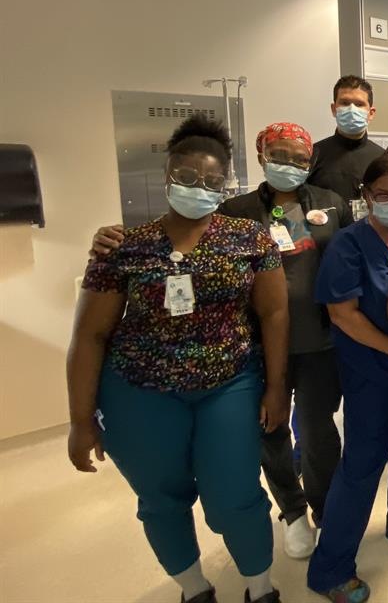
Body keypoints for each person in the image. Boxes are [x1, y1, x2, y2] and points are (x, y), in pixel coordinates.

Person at [90, 122, 350, 560]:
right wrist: (112, 236)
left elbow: (348, 260)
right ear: (262, 154)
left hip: (318, 339)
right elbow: (179, 237)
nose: (290, 165)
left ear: (311, 162)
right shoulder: (234, 208)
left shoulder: (331, 203)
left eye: (300, 158)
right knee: (270, 431)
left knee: (320, 431)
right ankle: (292, 510)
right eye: (280, 155)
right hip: (253, 342)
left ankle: (326, 510)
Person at [67, 117, 289, 603]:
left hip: (229, 383)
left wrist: (276, 388)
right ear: (167, 175)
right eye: (187, 177)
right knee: (160, 498)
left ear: (226, 182)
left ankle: (259, 585)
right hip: (138, 391)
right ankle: (193, 589)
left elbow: (274, 313)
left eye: (212, 181)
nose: (198, 187)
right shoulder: (124, 245)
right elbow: (90, 334)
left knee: (235, 496)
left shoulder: (250, 238)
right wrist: (81, 420)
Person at [308, 155, 388, 603]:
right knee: (361, 468)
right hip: (373, 372)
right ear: (365, 197)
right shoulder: (349, 244)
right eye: (381, 194)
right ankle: (331, 569)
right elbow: (341, 314)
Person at [307, 75, 388, 215]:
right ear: (334, 109)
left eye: (359, 104)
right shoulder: (313, 154)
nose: (352, 109)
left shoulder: (381, 157)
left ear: (371, 113)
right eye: (345, 103)